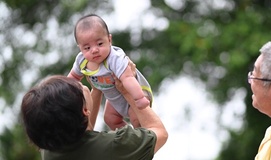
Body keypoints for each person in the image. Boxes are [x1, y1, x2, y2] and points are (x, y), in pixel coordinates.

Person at [20, 75, 168, 160]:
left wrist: (97, 88)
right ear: (84, 110)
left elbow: (84, 128)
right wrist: (127, 92)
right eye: (76, 86)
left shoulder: (51, 150)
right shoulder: (117, 146)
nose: (78, 82)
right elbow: (159, 132)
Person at [68, 14, 152, 130]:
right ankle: (127, 137)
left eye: (100, 44)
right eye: (87, 48)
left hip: (135, 92)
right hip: (114, 98)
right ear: (80, 48)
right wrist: (64, 92)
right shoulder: (82, 61)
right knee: (110, 119)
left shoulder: (114, 58)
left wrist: (139, 98)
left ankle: (140, 137)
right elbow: (73, 77)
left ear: (109, 39)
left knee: (136, 119)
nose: (94, 50)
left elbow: (128, 78)